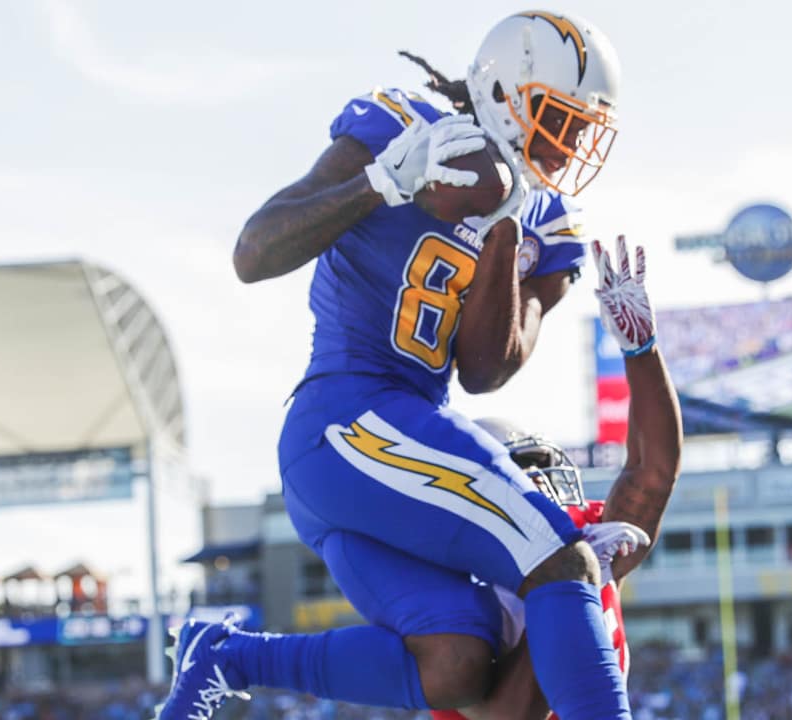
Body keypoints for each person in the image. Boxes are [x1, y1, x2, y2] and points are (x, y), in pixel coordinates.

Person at [158, 11, 633, 720]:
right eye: (558, 122)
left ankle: (224, 655)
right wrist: (378, 183)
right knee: (562, 561)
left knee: (456, 664)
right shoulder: (400, 127)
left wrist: (504, 224)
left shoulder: (549, 222)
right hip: (345, 419)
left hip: (400, 437)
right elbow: (253, 254)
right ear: (506, 90)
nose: (568, 149)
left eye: (581, 131)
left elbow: (484, 370)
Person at [431, 238, 681, 720]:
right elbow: (510, 713)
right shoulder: (454, 590)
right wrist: (574, 587)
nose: (545, 488)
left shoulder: (585, 540)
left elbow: (652, 474)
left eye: (544, 471)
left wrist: (641, 350)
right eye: (527, 473)